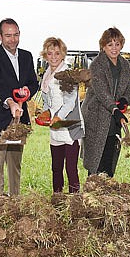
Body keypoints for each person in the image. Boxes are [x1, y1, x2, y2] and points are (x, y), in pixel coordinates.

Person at [0, 18, 39, 196]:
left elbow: (33, 82)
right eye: (8, 35)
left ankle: (15, 203)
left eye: (16, 35)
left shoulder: (27, 56)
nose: (12, 39)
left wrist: (27, 89)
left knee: (15, 166)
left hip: (18, 122)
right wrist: (11, 102)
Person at [81, 27, 130, 177]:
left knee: (110, 159)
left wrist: (124, 101)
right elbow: (101, 92)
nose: (114, 48)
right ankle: (92, 194)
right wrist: (115, 110)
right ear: (103, 46)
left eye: (117, 44)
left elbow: (129, 90)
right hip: (96, 115)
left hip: (114, 118)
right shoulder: (97, 64)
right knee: (96, 162)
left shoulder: (125, 65)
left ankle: (106, 194)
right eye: (110, 44)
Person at [39, 37, 84, 193]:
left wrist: (57, 116)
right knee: (56, 167)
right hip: (55, 127)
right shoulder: (46, 74)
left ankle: (75, 203)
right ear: (45, 55)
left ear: (63, 54)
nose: (54, 57)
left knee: (70, 168)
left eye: (57, 53)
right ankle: (57, 199)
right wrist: (45, 112)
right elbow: (47, 100)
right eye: (50, 53)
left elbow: (70, 102)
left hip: (69, 126)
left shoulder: (68, 74)